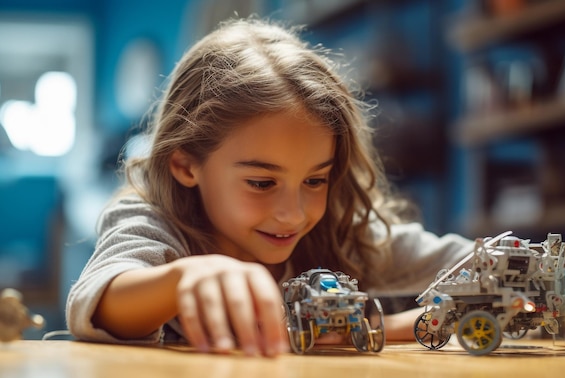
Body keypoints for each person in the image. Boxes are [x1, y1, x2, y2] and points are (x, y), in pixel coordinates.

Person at [66, 17, 473, 357]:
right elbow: (100, 300)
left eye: (315, 180)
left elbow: (472, 264)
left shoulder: (342, 231)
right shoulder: (151, 222)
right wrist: (184, 278)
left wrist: (373, 328)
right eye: (261, 182)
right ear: (185, 165)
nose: (294, 214)